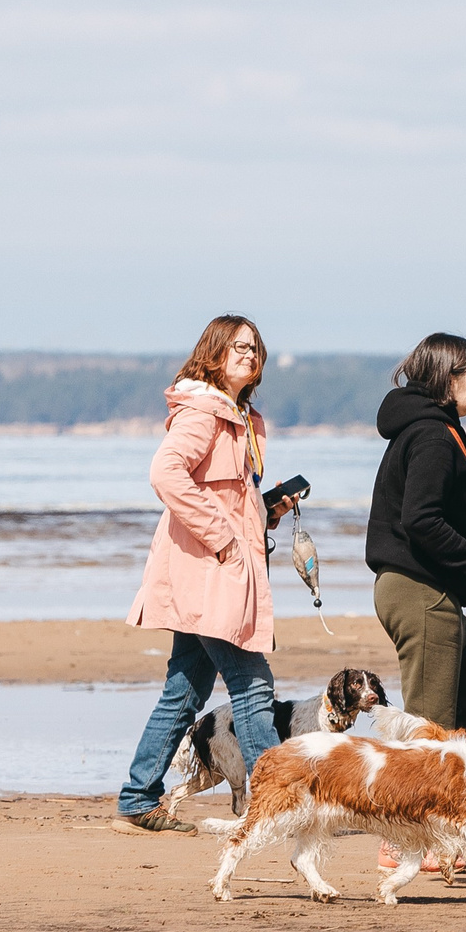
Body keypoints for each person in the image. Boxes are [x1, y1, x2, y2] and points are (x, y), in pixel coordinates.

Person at [114, 316, 294, 834]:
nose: (250, 354)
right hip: (208, 571)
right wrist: (222, 536)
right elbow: (165, 474)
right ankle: (276, 800)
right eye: (239, 346)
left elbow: (227, 498)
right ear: (214, 353)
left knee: (185, 690)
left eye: (256, 347)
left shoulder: (241, 418)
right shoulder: (203, 414)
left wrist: (267, 511)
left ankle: (137, 799)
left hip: (214, 570)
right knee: (252, 683)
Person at [367, 332, 466, 733]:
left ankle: (461, 794)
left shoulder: (434, 429)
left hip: (428, 588)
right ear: (449, 380)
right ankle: (417, 794)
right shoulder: (432, 435)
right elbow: (421, 520)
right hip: (418, 590)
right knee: (429, 731)